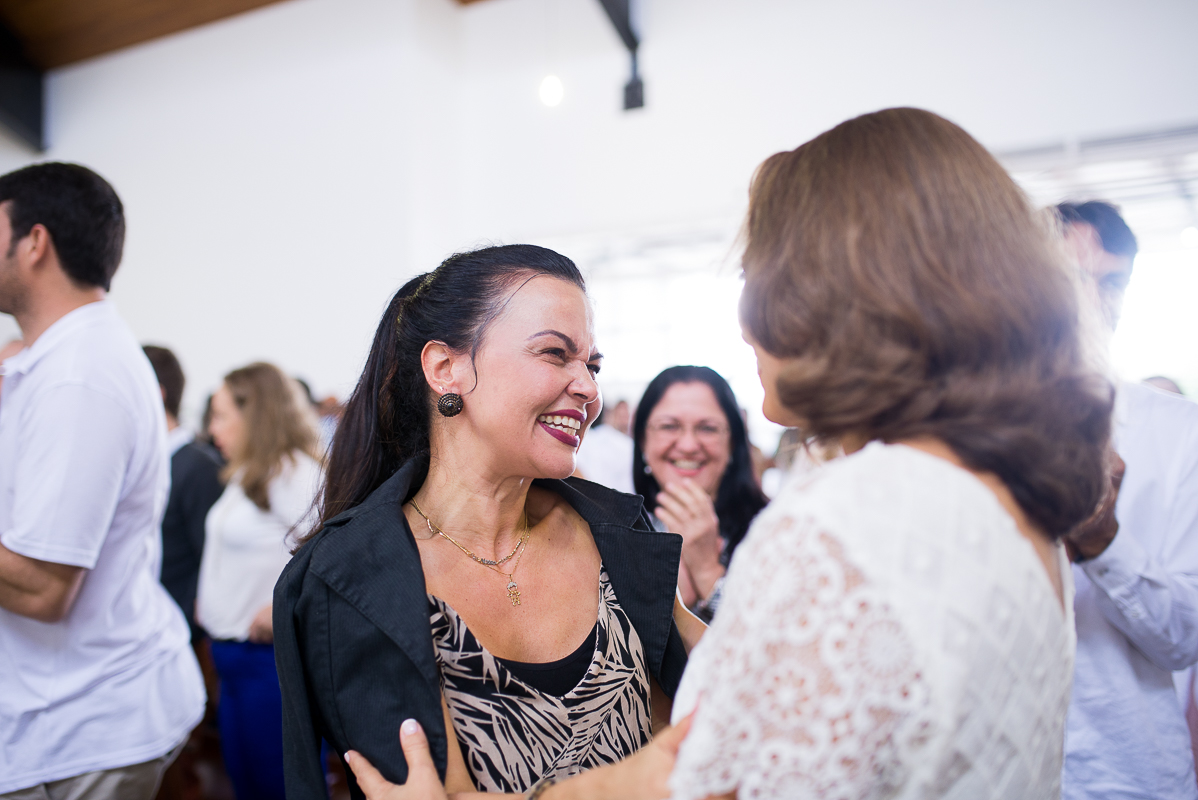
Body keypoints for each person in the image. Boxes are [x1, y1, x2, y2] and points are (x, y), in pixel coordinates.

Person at [344, 109, 1115, 800]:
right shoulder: (1006, 506)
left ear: (830, 291)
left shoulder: (846, 523)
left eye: (756, 275)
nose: (746, 320)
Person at [273, 245, 705, 799]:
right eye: (555, 354)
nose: (590, 390)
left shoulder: (617, 531)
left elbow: (713, 700)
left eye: (592, 366)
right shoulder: (358, 580)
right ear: (445, 368)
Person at [0, 163, 205, 797]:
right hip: (58, 703)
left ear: (34, 242)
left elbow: (41, 590)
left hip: (80, 725)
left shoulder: (79, 375)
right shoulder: (51, 360)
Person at [1057, 200, 1198, 800]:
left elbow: (1185, 637)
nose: (1095, 301)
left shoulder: (1179, 432)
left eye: (1112, 282)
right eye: (1071, 280)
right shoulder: (966, 429)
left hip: (1129, 775)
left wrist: (1102, 541)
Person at [196, 361, 323, 800]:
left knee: (280, 787)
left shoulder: (293, 473)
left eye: (221, 415)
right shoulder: (249, 473)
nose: (213, 430)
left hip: (266, 662)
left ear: (254, 415)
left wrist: (280, 608)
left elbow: (333, 557)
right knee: (247, 784)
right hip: (233, 659)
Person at [632, 366, 768, 620]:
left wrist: (708, 573)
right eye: (669, 426)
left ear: (733, 443)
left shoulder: (773, 530)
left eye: (707, 428)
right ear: (642, 440)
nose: (688, 446)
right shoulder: (617, 530)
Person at [143, 345, 225, 639]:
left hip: (175, 632)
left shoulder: (198, 467)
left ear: (157, 392)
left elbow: (208, 557)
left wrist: (185, 625)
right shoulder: (143, 461)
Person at [574, 403, 635, 493]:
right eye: (620, 416)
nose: (624, 420)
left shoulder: (627, 444)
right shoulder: (626, 444)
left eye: (626, 415)